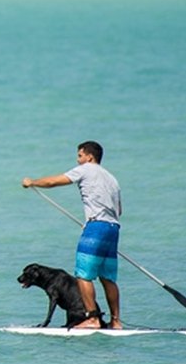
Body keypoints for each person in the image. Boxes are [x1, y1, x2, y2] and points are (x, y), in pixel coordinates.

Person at [21, 141, 123, 329]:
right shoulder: (112, 179)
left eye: (79, 156)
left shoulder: (86, 169)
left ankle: (92, 319)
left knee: (83, 275)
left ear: (89, 157)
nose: (78, 160)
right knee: (108, 278)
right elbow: (119, 210)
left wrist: (32, 182)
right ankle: (116, 322)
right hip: (113, 228)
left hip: (96, 227)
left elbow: (53, 181)